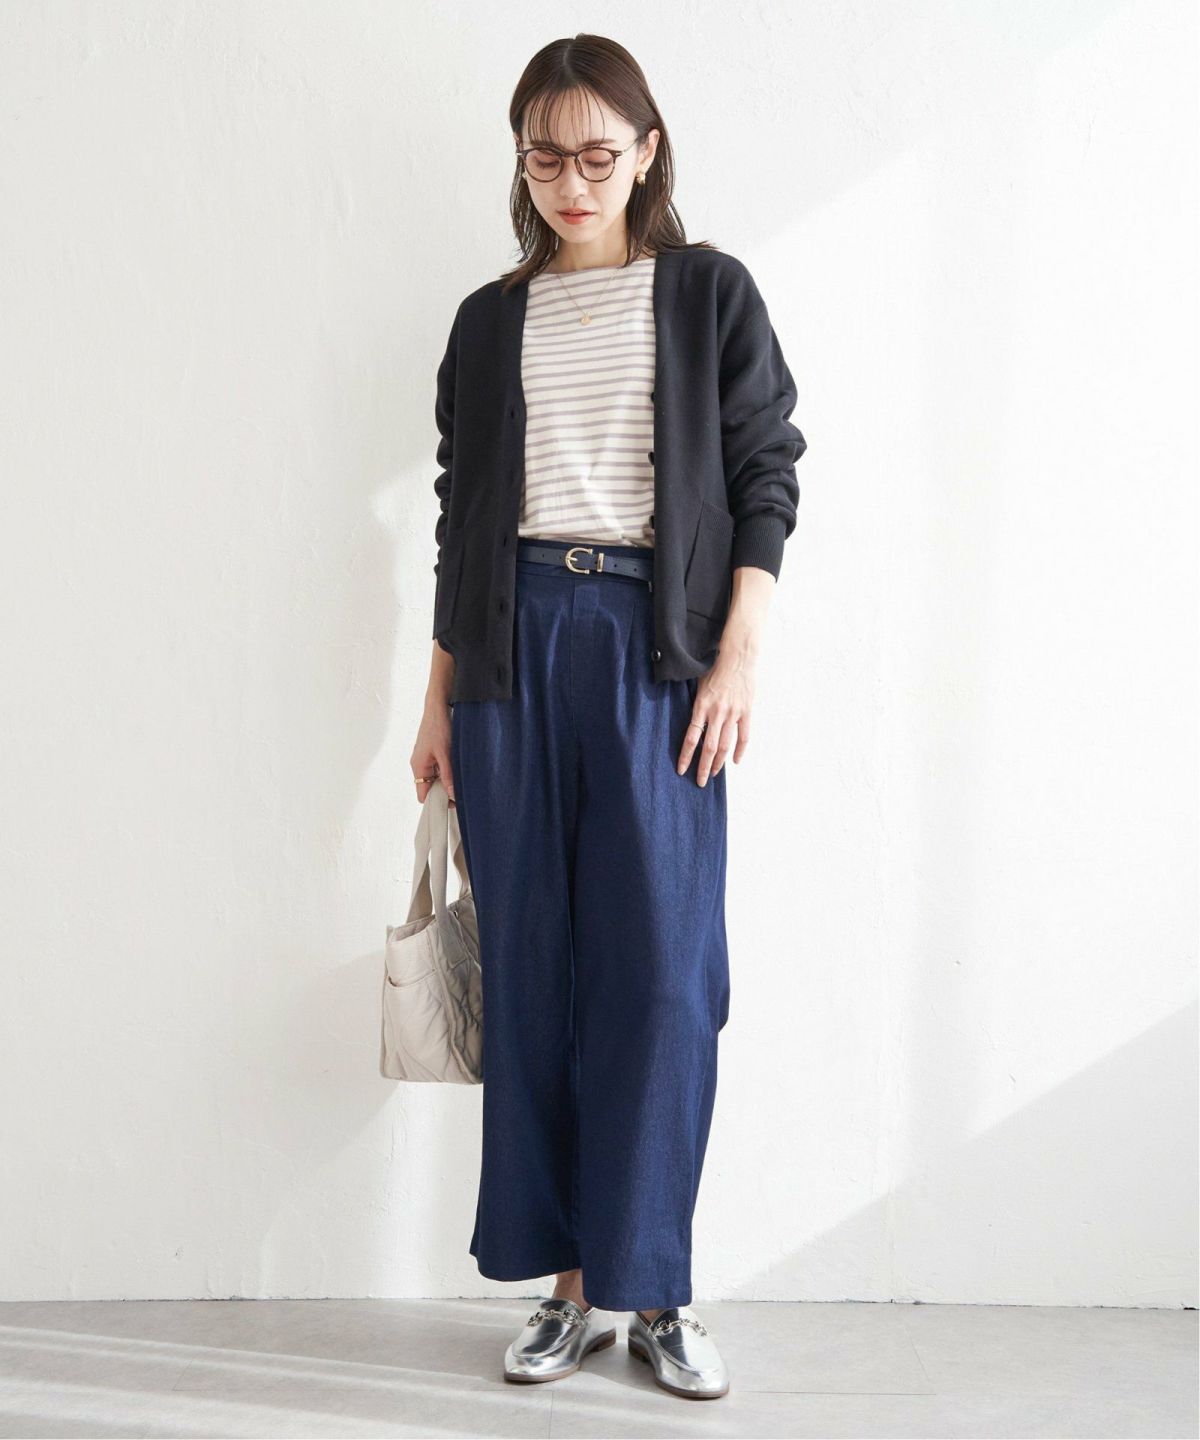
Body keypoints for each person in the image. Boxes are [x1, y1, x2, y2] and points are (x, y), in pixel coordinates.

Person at [409, 33, 806, 1402]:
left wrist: (737, 657)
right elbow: (462, 518)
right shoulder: (489, 321)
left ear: (646, 151)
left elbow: (765, 473)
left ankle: (658, 1285)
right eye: (544, 157)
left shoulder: (707, 294)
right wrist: (437, 701)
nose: (571, 182)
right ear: (521, 164)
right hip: (510, 649)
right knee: (534, 971)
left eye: (596, 154)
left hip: (655, 648)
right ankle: (569, 1287)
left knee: (665, 979)